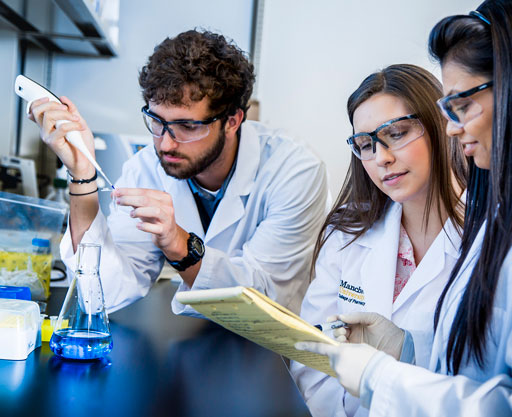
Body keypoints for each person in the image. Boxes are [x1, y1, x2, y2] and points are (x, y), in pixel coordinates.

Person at [296, 1, 512, 416]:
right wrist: (405, 349)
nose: (452, 126)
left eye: (462, 105)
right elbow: (479, 367)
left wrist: (382, 379)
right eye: (365, 144)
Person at [28, 29, 329, 315]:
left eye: (187, 126)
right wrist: (82, 174)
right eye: (157, 121)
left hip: (268, 352)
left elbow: (264, 299)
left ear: (233, 120)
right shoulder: (146, 168)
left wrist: (177, 243)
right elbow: (104, 292)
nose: (166, 143)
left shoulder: (294, 171)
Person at [291, 64, 466, 417]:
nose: (381, 158)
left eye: (398, 133)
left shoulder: (491, 236)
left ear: (441, 125)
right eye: (366, 144)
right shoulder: (346, 233)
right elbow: (312, 354)